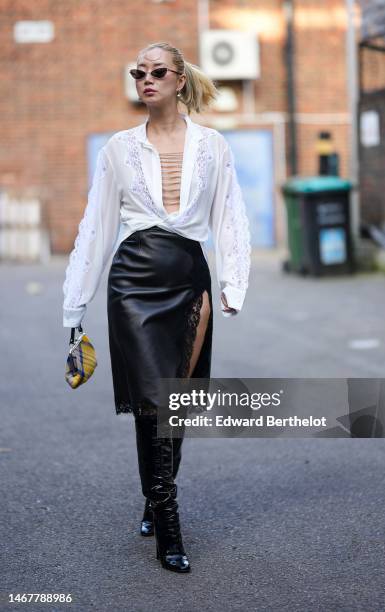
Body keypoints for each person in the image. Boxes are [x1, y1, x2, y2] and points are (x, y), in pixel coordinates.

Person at [62, 41, 251, 573]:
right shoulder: (118, 149)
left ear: (180, 80)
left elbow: (230, 215)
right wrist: (74, 304)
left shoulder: (213, 146)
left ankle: (153, 494)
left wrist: (233, 284)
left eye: (157, 71)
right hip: (134, 283)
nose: (146, 79)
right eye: (137, 72)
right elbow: (96, 225)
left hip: (190, 280)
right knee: (153, 400)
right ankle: (168, 521)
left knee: (177, 401)